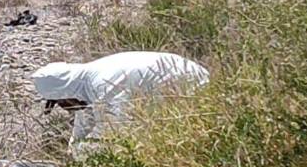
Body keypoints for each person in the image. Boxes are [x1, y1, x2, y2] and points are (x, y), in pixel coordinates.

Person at [32, 51, 210, 155]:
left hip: (191, 89)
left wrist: (81, 153)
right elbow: (85, 118)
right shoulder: (85, 83)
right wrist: (74, 146)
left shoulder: (102, 83)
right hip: (174, 90)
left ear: (66, 93)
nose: (65, 108)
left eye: (61, 103)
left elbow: (114, 129)